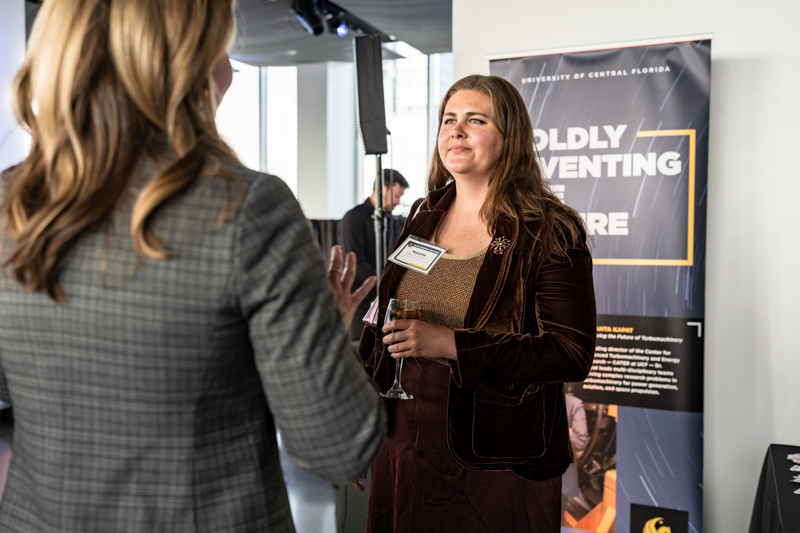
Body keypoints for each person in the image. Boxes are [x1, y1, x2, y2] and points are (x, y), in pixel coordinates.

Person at [0, 1, 386, 531]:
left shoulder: (8, 203)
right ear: (193, 59)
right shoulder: (248, 208)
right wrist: (327, 331)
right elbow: (338, 447)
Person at [358, 75, 597, 532]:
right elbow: (381, 319)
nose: (456, 130)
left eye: (475, 119)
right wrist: (358, 429)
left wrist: (451, 344)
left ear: (511, 137)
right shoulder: (423, 214)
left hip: (496, 453)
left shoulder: (548, 228)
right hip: (404, 437)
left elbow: (570, 352)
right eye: (449, 119)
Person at [337, 169, 409, 340]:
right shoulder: (353, 218)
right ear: (383, 189)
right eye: (397, 195)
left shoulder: (391, 221)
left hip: (383, 301)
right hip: (358, 303)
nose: (398, 202)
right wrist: (388, 281)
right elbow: (355, 265)